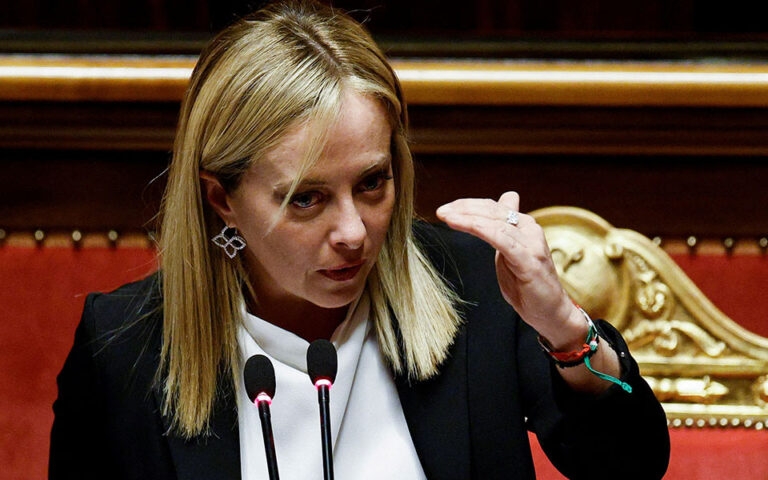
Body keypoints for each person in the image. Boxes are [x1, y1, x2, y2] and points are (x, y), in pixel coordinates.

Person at [49, 1, 670, 479]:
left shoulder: (475, 287)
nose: (353, 232)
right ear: (222, 200)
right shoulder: (123, 348)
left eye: (372, 183)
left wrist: (562, 328)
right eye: (307, 198)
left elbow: (632, 464)